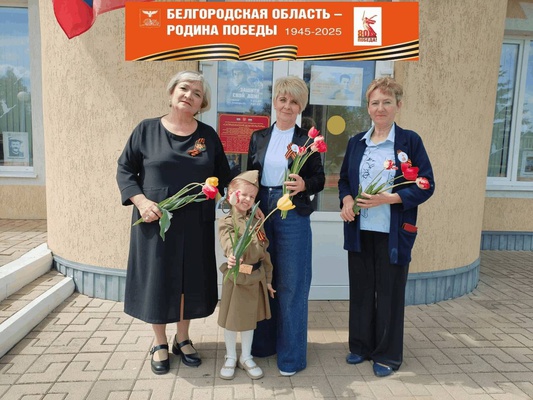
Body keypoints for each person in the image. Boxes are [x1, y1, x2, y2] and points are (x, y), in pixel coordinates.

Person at [116, 70, 231, 375]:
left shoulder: (208, 136)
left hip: (196, 223)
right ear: (171, 92)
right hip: (156, 222)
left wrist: (243, 199)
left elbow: (224, 176)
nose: (189, 95)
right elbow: (125, 170)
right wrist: (141, 202)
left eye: (197, 93)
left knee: (189, 282)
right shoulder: (146, 130)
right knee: (158, 282)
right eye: (184, 88)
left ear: (201, 103)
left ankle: (183, 338)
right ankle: (159, 342)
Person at [338, 77, 435, 377]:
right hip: (360, 231)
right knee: (362, 291)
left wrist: (390, 198)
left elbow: (426, 184)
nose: (380, 108)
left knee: (390, 295)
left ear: (398, 105)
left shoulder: (410, 141)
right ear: (368, 107)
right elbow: (344, 180)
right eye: (375, 103)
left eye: (387, 102)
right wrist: (346, 200)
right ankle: (360, 346)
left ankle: (388, 355)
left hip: (393, 233)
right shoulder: (357, 142)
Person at [247, 75, 325, 376]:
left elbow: (319, 178)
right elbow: (250, 175)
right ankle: (264, 345)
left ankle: (291, 357)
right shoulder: (258, 137)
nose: (287, 105)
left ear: (301, 106)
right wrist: (248, 205)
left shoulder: (307, 141)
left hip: (292, 210)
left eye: (294, 101)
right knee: (263, 277)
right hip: (262, 208)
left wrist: (305, 184)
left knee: (291, 283)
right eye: (283, 99)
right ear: (275, 102)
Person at [217, 170, 276, 380]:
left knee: (249, 321)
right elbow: (228, 241)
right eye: (243, 194)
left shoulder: (257, 222)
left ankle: (246, 357)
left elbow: (264, 253)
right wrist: (233, 254)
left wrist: (268, 280)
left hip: (254, 278)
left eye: (252, 196)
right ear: (231, 194)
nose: (247, 199)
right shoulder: (227, 220)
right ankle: (230, 356)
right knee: (232, 320)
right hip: (237, 277)